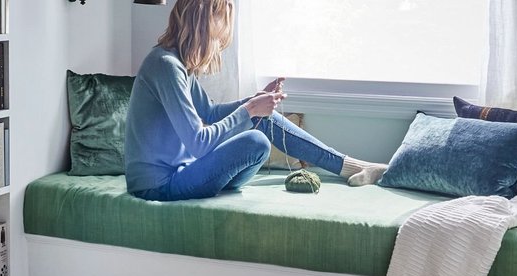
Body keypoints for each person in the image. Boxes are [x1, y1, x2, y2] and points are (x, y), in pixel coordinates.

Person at [124, 0, 388, 201]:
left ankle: (352, 166)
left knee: (263, 118)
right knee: (256, 140)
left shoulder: (178, 63)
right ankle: (352, 167)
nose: (219, 41)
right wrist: (250, 109)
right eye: (219, 32)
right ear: (202, 24)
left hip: (183, 173)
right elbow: (199, 144)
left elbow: (211, 112)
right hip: (158, 186)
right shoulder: (165, 65)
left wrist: (256, 102)